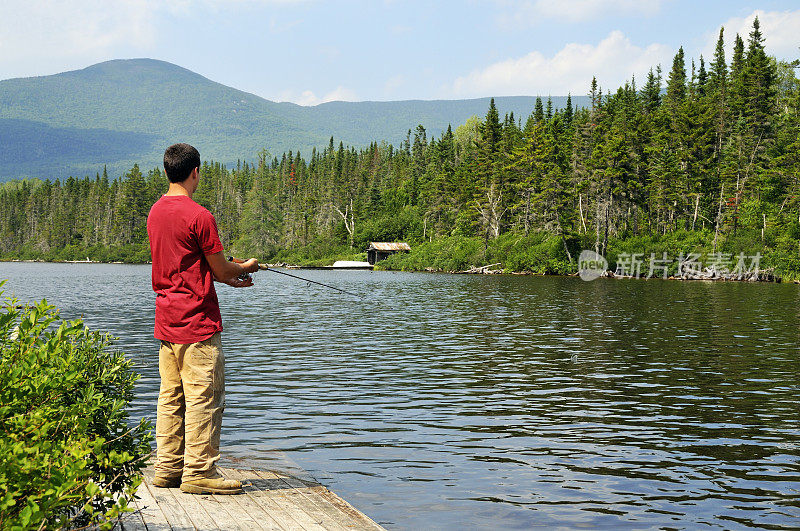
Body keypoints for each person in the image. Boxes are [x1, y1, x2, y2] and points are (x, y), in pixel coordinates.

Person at [146, 143, 259, 495]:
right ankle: (198, 472)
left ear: (167, 172)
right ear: (195, 172)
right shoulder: (200, 216)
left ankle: (167, 469)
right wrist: (245, 268)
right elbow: (223, 271)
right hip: (198, 323)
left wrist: (223, 267)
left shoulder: (155, 212)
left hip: (166, 322)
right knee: (204, 398)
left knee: (171, 397)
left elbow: (186, 259)